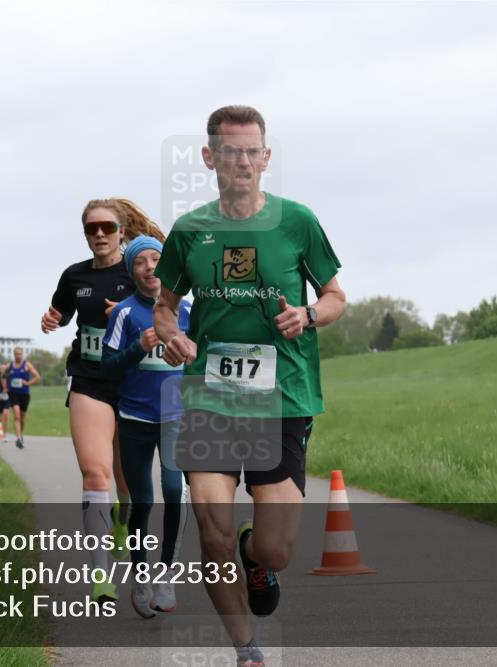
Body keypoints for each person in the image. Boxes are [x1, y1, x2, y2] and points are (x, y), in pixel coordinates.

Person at [153, 105, 346, 667]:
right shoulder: (190, 231)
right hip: (211, 397)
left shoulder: (297, 222)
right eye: (229, 150)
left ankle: (253, 556)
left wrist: (308, 316)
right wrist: (172, 336)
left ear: (266, 157)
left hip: (281, 397)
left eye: (251, 150)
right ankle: (248, 651)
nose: (241, 160)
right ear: (210, 157)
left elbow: (336, 296)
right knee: (211, 533)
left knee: (276, 550)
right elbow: (165, 308)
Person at [40, 197, 165, 603]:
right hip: (90, 378)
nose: (99, 234)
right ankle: (100, 575)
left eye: (107, 228)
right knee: (96, 473)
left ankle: (129, 535)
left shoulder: (140, 271)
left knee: (128, 482)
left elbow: (165, 311)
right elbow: (59, 312)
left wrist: (128, 313)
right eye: (91, 228)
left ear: (122, 231)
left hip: (133, 382)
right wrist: (51, 319)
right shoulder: (74, 276)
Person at [103, 235, 191, 618]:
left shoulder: (186, 310)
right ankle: (140, 576)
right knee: (143, 501)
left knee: (175, 491)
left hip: (176, 416)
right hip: (135, 419)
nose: (150, 266)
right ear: (131, 270)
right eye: (141, 261)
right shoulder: (124, 313)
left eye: (157, 259)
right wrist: (138, 347)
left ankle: (166, 576)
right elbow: (107, 368)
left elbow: (201, 359)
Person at [5, 346, 42, 449]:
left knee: (22, 418)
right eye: (16, 354)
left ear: (22, 354)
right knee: (16, 415)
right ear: (14, 355)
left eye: (20, 354)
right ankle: (18, 438)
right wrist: (5, 387)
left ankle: (20, 434)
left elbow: (37, 376)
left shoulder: (27, 365)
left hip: (24, 394)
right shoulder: (10, 366)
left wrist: (28, 383)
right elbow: (2, 375)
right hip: (13, 394)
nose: (18, 356)